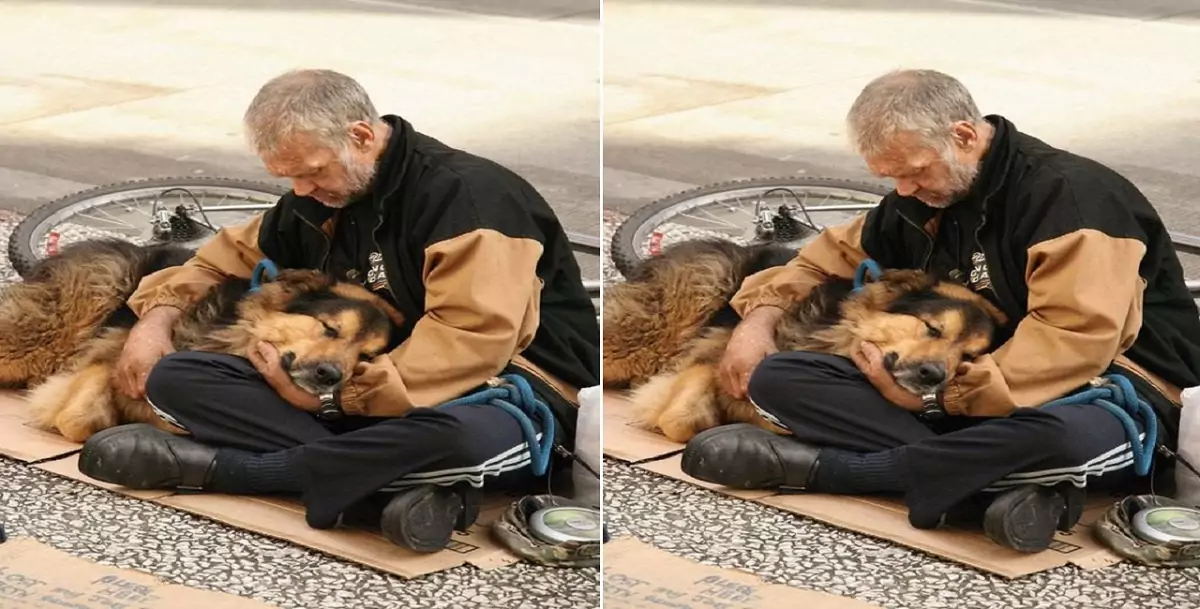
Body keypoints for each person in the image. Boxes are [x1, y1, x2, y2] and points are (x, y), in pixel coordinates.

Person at [78, 69, 601, 554]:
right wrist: (156, 319)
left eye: (310, 172)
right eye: (287, 178)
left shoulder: (469, 200)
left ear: (361, 137)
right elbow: (218, 261)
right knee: (179, 376)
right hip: (370, 394)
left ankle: (230, 469)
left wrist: (332, 402)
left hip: (511, 390)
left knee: (454, 439)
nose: (300, 190)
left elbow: (471, 339)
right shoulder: (322, 198)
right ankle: (377, 490)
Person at [681, 69, 1200, 553]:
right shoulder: (926, 198)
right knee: (781, 376)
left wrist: (939, 401)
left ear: (965, 137)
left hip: (1114, 391)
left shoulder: (1072, 200)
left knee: (1055, 441)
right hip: (973, 394)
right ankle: (976, 490)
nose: (904, 189)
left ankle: (831, 469)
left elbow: (1074, 338)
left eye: (913, 172)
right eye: (890, 177)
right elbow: (821, 260)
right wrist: (758, 319)